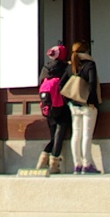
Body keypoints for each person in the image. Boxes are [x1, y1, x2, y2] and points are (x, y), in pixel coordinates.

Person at [65, 40, 100, 174]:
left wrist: (69, 99)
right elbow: (92, 83)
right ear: (86, 51)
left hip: (74, 105)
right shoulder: (90, 64)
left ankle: (76, 165)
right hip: (87, 105)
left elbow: (62, 84)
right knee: (86, 135)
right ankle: (87, 165)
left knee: (76, 134)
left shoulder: (70, 66)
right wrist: (91, 100)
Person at [36, 45, 71, 175]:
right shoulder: (65, 68)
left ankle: (42, 160)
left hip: (47, 105)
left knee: (52, 134)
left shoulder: (46, 68)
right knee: (59, 133)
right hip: (61, 104)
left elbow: (40, 83)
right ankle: (54, 164)